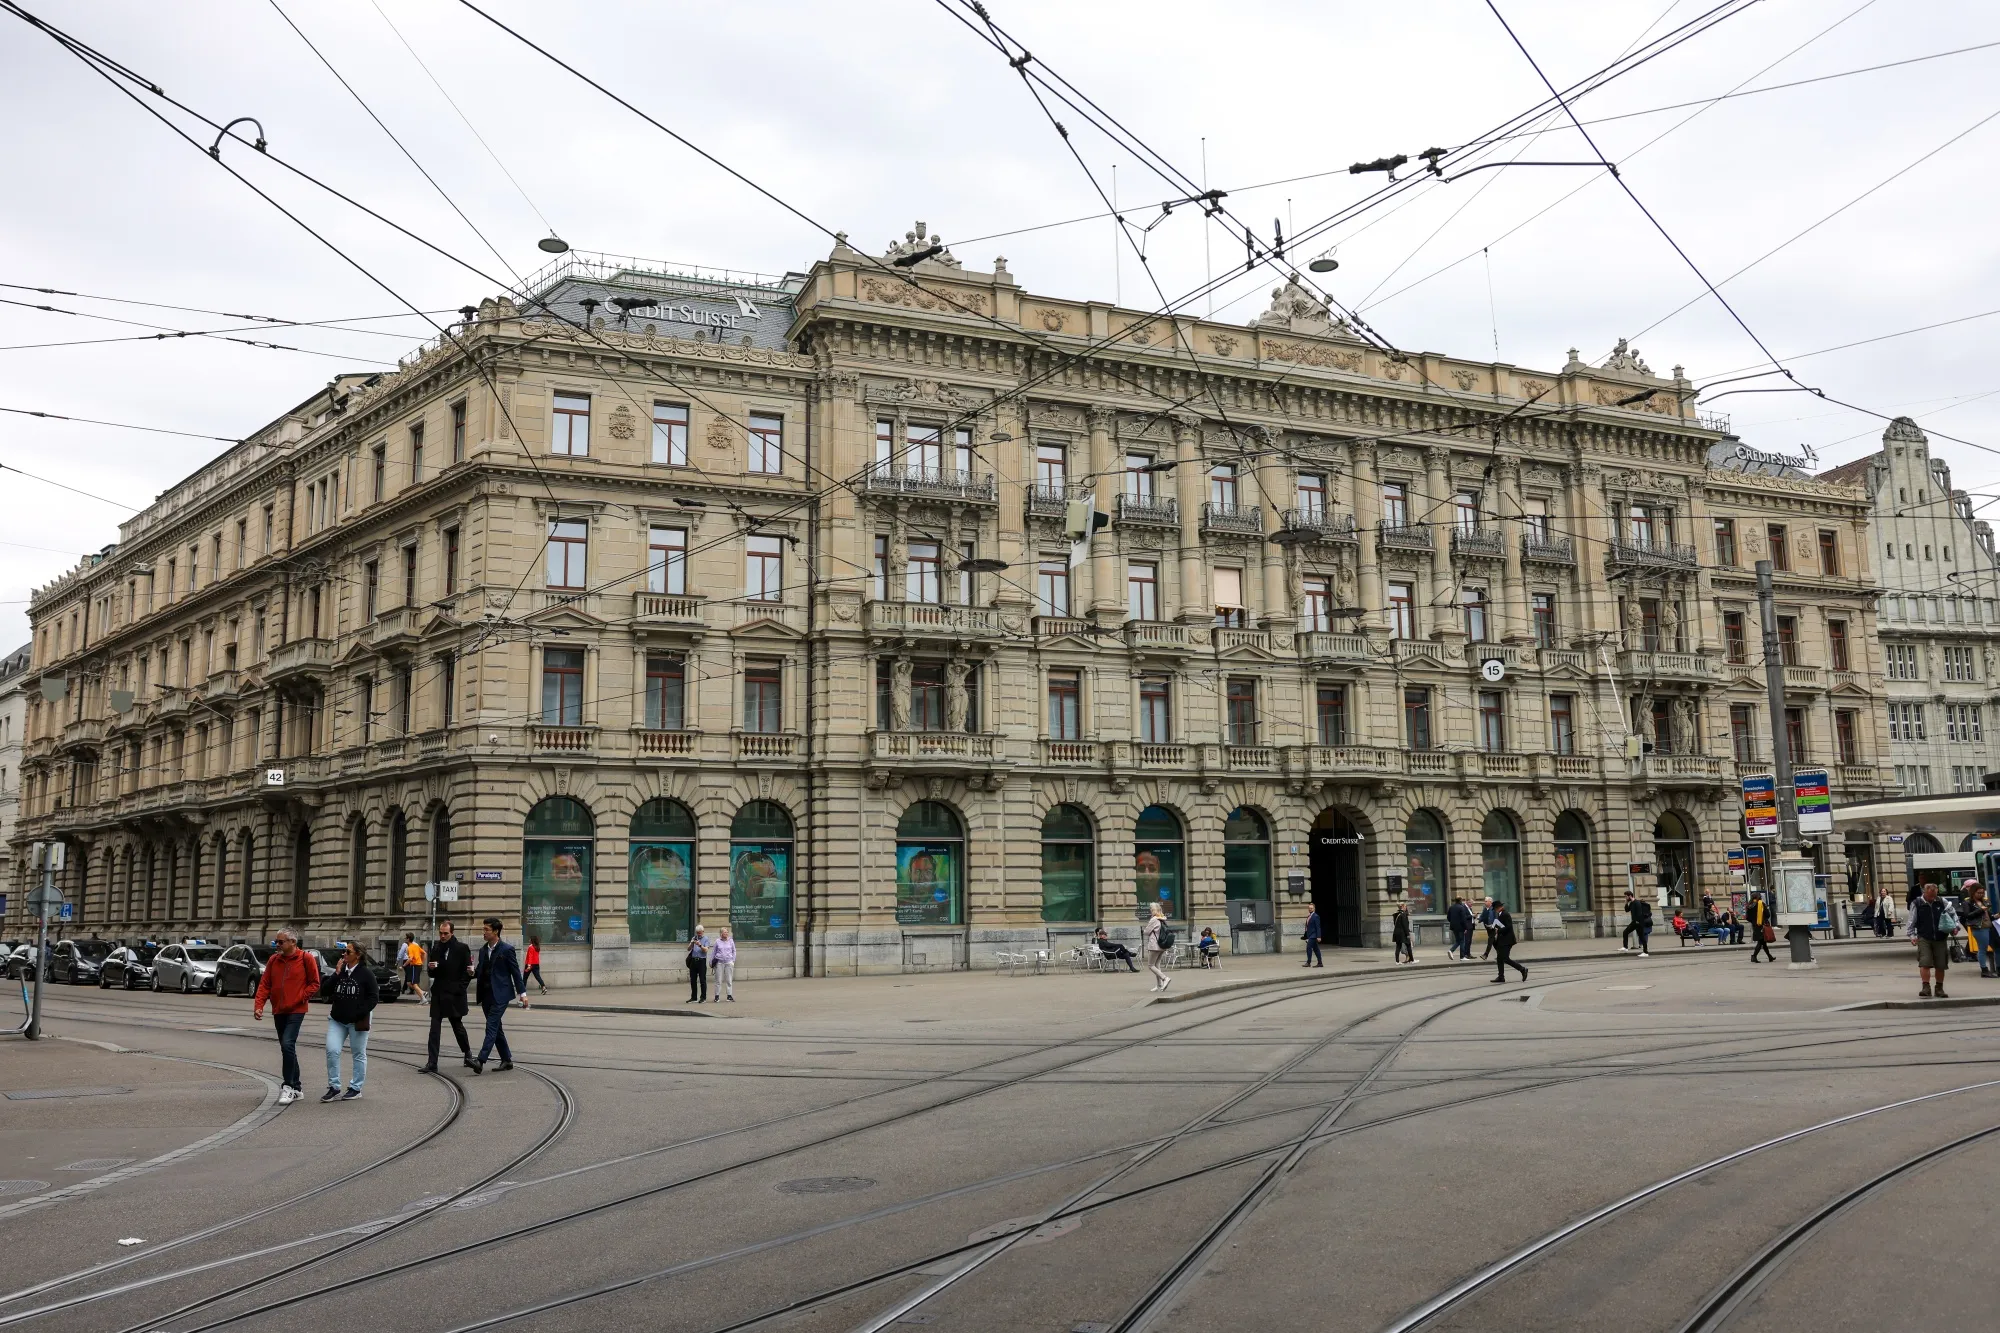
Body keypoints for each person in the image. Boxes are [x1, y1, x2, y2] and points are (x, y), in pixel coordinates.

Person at [250, 929, 321, 1105]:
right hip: (279, 1010)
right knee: (286, 1047)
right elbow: (265, 984)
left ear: (292, 943)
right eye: (276, 942)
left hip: (296, 1010)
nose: (277, 945)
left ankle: (288, 1086)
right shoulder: (274, 960)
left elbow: (315, 983)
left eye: (281, 942)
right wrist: (259, 1006)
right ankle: (297, 1088)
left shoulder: (306, 958)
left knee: (288, 1044)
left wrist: (300, 997)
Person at [323, 940, 378, 1102]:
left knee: (358, 1053)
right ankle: (334, 1087)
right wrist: (336, 973)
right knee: (332, 1050)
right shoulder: (341, 971)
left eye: (348, 952)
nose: (344, 954)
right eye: (344, 952)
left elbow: (373, 998)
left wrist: (358, 1013)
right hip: (337, 1020)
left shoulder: (366, 974)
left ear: (358, 955)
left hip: (357, 1021)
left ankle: (356, 1087)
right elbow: (325, 990)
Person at [472, 917, 527, 1073]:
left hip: (501, 994)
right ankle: (506, 1060)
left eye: (486, 929)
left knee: (491, 1026)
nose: (483, 932)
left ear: (495, 931)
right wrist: (471, 972)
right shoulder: (483, 950)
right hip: (486, 995)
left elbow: (516, 973)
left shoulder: (506, 949)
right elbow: (480, 972)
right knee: (497, 1029)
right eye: (483, 929)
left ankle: (480, 1061)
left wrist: (522, 993)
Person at [421, 918, 474, 1074]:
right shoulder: (436, 948)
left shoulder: (462, 948)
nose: (442, 936)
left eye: (445, 933)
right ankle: (432, 1062)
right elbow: (432, 971)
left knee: (457, 1026)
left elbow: (468, 972)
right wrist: (431, 969)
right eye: (441, 933)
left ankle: (467, 1053)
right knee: (434, 1029)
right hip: (438, 993)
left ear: (452, 933)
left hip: (454, 994)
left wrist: (460, 988)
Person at [1909, 882, 1958, 998]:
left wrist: (1956, 926)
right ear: (1924, 893)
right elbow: (1911, 920)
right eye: (1930, 895)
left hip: (1941, 937)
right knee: (1924, 963)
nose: (1933, 898)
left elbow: (1953, 914)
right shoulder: (1917, 903)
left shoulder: (1942, 901)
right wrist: (1912, 936)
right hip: (1924, 937)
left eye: (1934, 895)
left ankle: (1939, 988)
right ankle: (1926, 987)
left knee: (1941, 965)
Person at [1961, 885, 1997, 978]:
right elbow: (1968, 915)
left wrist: (1996, 916)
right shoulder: (1967, 902)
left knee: (1994, 947)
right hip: (1979, 928)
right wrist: (1981, 910)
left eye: (1982, 893)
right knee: (1983, 949)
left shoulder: (1984, 901)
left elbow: (1988, 916)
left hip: (1988, 926)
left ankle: (1993, 968)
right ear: (1973, 892)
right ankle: (1984, 970)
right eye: (1979, 893)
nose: (1981, 894)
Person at [1490, 902, 1527, 983]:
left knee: (1505, 958)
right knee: (1500, 958)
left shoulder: (1505, 914)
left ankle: (1522, 969)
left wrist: (1498, 930)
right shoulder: (1500, 914)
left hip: (1507, 940)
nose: (1495, 911)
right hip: (1502, 940)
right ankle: (1501, 976)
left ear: (1498, 908)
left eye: (1495, 909)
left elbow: (1509, 926)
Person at [1143, 902, 1172, 992]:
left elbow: (1146, 932)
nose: (1150, 911)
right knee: (1157, 965)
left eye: (1151, 910)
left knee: (1151, 965)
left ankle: (1164, 978)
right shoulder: (1162, 919)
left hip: (1154, 945)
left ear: (1154, 910)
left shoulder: (1154, 919)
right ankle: (1159, 985)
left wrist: (1146, 930)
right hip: (1162, 945)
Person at [1747, 892, 1776, 963]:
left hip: (1755, 925)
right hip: (1762, 925)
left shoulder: (1749, 905)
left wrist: (1754, 921)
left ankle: (1770, 957)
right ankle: (1754, 956)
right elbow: (1767, 914)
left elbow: (1748, 917)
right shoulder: (1761, 904)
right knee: (1761, 941)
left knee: (1763, 942)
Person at [711, 927, 736, 1002]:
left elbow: (734, 951)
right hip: (719, 962)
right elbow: (713, 952)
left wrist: (733, 960)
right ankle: (717, 996)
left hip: (728, 962)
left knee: (729, 980)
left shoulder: (731, 941)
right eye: (724, 932)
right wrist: (711, 962)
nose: (726, 933)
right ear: (721, 933)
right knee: (718, 980)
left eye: (727, 932)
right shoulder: (717, 941)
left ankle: (729, 995)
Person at [686, 926, 710, 1004]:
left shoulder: (706, 939)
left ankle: (703, 997)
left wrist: (700, 945)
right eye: (697, 933)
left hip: (701, 960)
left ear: (703, 931)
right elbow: (688, 949)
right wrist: (692, 943)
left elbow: (706, 950)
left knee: (702, 980)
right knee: (693, 980)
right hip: (693, 961)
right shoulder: (694, 937)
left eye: (700, 933)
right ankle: (694, 997)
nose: (699, 934)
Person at [1446, 895, 1474, 962]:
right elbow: (1463, 919)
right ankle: (1462, 956)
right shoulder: (1461, 908)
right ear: (1460, 901)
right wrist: (1466, 928)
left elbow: (1448, 917)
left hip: (1453, 927)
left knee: (1458, 940)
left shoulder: (1451, 907)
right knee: (1462, 941)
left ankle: (1451, 950)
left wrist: (1453, 922)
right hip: (1461, 927)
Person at [400, 932, 425, 1003]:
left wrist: (403, 965)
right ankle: (422, 994)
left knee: (414, 983)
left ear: (408, 939)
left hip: (415, 966)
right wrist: (421, 961)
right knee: (408, 982)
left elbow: (410, 958)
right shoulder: (416, 946)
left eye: (406, 938)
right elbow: (424, 953)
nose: (405, 939)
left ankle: (423, 996)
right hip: (416, 965)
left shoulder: (410, 947)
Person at [1391, 900, 1414, 964]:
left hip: (1396, 933)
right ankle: (1412, 960)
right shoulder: (1403, 914)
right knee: (1408, 945)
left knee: (1398, 947)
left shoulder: (1395, 914)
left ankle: (1397, 961)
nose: (1406, 907)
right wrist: (1407, 934)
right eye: (1405, 906)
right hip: (1402, 933)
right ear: (1403, 907)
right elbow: (1405, 925)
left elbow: (1395, 924)